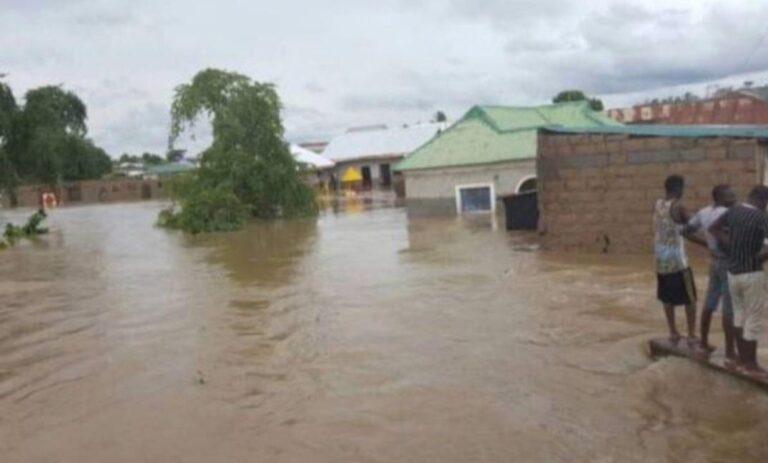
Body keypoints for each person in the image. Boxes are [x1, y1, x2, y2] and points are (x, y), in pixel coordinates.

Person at [710, 185, 768, 377]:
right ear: (762, 201)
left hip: (732, 273)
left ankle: (743, 360)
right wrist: (761, 257)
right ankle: (751, 364)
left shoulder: (733, 212)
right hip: (751, 273)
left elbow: (713, 228)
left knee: (739, 316)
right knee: (753, 318)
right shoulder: (762, 218)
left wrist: (729, 245)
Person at [684, 185, 737, 359]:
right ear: (720, 197)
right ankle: (730, 352)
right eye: (730, 196)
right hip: (728, 262)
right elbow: (727, 240)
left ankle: (703, 343)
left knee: (710, 303)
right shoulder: (727, 214)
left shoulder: (704, 212)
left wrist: (707, 245)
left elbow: (685, 231)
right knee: (729, 310)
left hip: (714, 262)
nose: (734, 198)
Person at [654, 175, 697, 345]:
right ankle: (692, 334)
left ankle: (673, 332)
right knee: (690, 299)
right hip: (678, 262)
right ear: (679, 189)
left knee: (667, 298)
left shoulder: (657, 204)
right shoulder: (679, 206)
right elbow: (693, 226)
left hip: (660, 260)